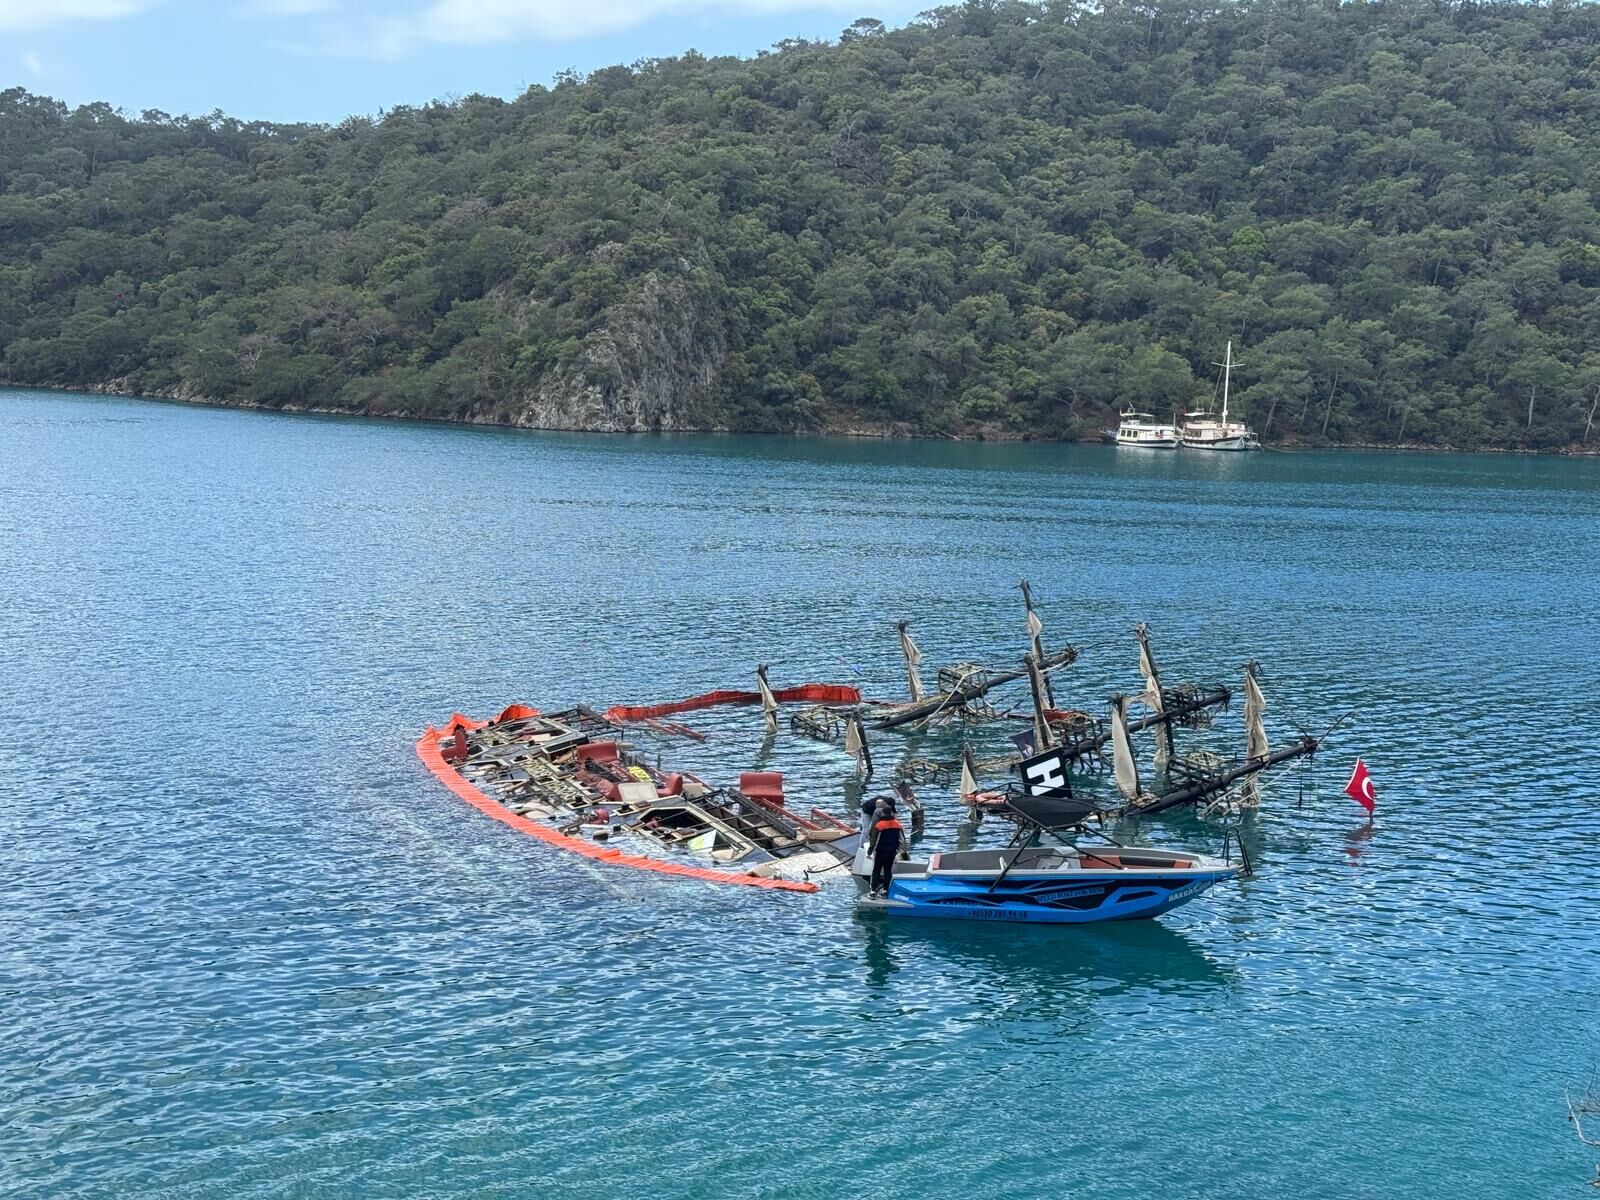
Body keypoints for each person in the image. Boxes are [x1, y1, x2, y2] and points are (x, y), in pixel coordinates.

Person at [867, 802, 907, 898]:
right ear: (891, 813)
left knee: (876, 871)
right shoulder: (898, 825)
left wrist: (869, 852)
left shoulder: (879, 825)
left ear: (882, 813)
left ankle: (872, 892)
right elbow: (902, 840)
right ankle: (885, 891)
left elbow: (874, 841)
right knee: (888, 871)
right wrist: (902, 851)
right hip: (892, 851)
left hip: (880, 851)